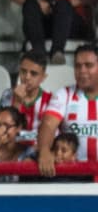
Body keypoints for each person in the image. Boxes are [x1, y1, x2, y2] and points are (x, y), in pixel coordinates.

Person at [36, 43, 98, 175]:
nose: (82, 70)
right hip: (73, 176)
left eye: (88, 65)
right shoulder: (64, 94)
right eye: (77, 66)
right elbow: (48, 125)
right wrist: (45, 151)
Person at [0, 49, 52, 144]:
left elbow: (49, 136)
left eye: (33, 73)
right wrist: (17, 103)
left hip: (36, 152)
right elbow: (1, 133)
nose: (27, 77)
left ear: (43, 77)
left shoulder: (50, 100)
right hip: (10, 151)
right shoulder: (7, 95)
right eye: (23, 71)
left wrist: (20, 136)